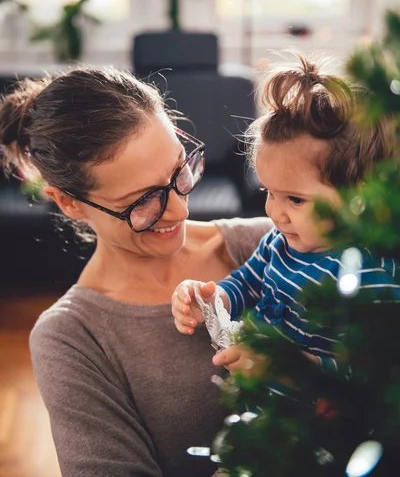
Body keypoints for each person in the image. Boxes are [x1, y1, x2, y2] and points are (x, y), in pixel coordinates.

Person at [0, 66, 272, 477]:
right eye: (142, 200)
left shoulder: (269, 244)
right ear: (69, 203)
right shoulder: (71, 340)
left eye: (180, 169)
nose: (181, 209)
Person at [172, 57, 400, 377]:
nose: (273, 212)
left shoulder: (368, 274)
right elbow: (247, 283)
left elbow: (372, 376)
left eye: (295, 199)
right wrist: (212, 301)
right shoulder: (278, 243)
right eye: (268, 191)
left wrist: (289, 367)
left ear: (358, 198)